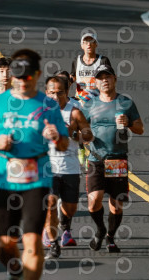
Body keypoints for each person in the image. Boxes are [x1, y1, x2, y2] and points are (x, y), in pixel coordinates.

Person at [0, 49, 68, 280]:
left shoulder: (48, 105)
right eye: (17, 76)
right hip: (4, 177)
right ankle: (15, 271)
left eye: (27, 76)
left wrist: (56, 136)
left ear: (37, 75)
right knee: (4, 244)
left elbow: (64, 143)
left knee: (32, 241)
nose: (22, 81)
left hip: (37, 178)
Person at [82, 64, 143, 253]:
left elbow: (140, 128)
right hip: (95, 158)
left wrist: (129, 123)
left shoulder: (126, 103)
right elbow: (81, 129)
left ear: (115, 79)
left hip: (117, 159)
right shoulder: (89, 104)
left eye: (107, 77)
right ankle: (100, 229)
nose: (104, 81)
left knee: (116, 205)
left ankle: (110, 237)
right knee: (94, 200)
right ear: (96, 82)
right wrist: (85, 136)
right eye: (100, 78)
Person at [43, 74, 93, 258]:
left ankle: (64, 224)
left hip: (70, 168)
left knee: (70, 208)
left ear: (67, 92)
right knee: (50, 204)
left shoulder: (75, 113)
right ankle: (53, 244)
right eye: (52, 93)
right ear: (46, 93)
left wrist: (72, 134)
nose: (56, 96)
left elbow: (89, 136)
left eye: (60, 93)